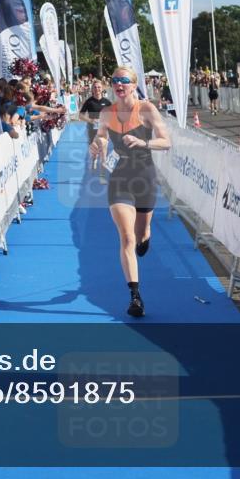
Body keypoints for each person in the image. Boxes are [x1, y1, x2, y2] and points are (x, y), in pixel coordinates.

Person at [88, 67, 171, 318]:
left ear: (134, 85)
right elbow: (102, 137)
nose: (118, 84)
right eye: (114, 80)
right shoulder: (106, 112)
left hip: (144, 178)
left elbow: (166, 141)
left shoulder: (146, 109)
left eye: (124, 80)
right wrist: (97, 144)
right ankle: (135, 296)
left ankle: (146, 234)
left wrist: (144, 143)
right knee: (126, 238)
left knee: (141, 233)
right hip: (120, 178)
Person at [80, 79, 111, 145]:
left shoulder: (107, 102)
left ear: (102, 89)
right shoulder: (89, 102)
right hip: (92, 130)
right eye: (95, 87)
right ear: (92, 89)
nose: (97, 89)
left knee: (103, 149)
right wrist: (91, 120)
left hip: (104, 130)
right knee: (93, 151)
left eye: (99, 87)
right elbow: (80, 115)